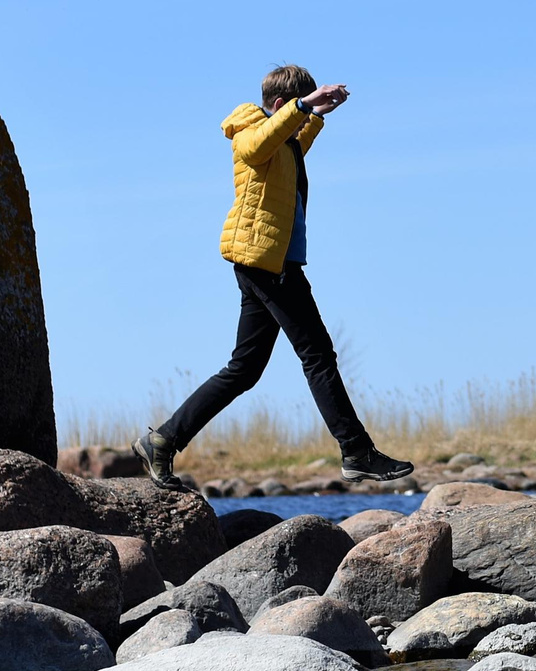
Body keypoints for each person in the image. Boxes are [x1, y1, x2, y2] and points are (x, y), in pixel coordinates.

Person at [137, 64, 413, 493]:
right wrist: (304, 107)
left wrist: (317, 116)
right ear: (281, 106)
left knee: (244, 370)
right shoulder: (249, 129)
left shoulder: (283, 140)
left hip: (267, 264)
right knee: (318, 354)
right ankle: (357, 452)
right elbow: (258, 146)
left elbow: (292, 142)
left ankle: (163, 441)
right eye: (296, 111)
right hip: (270, 266)